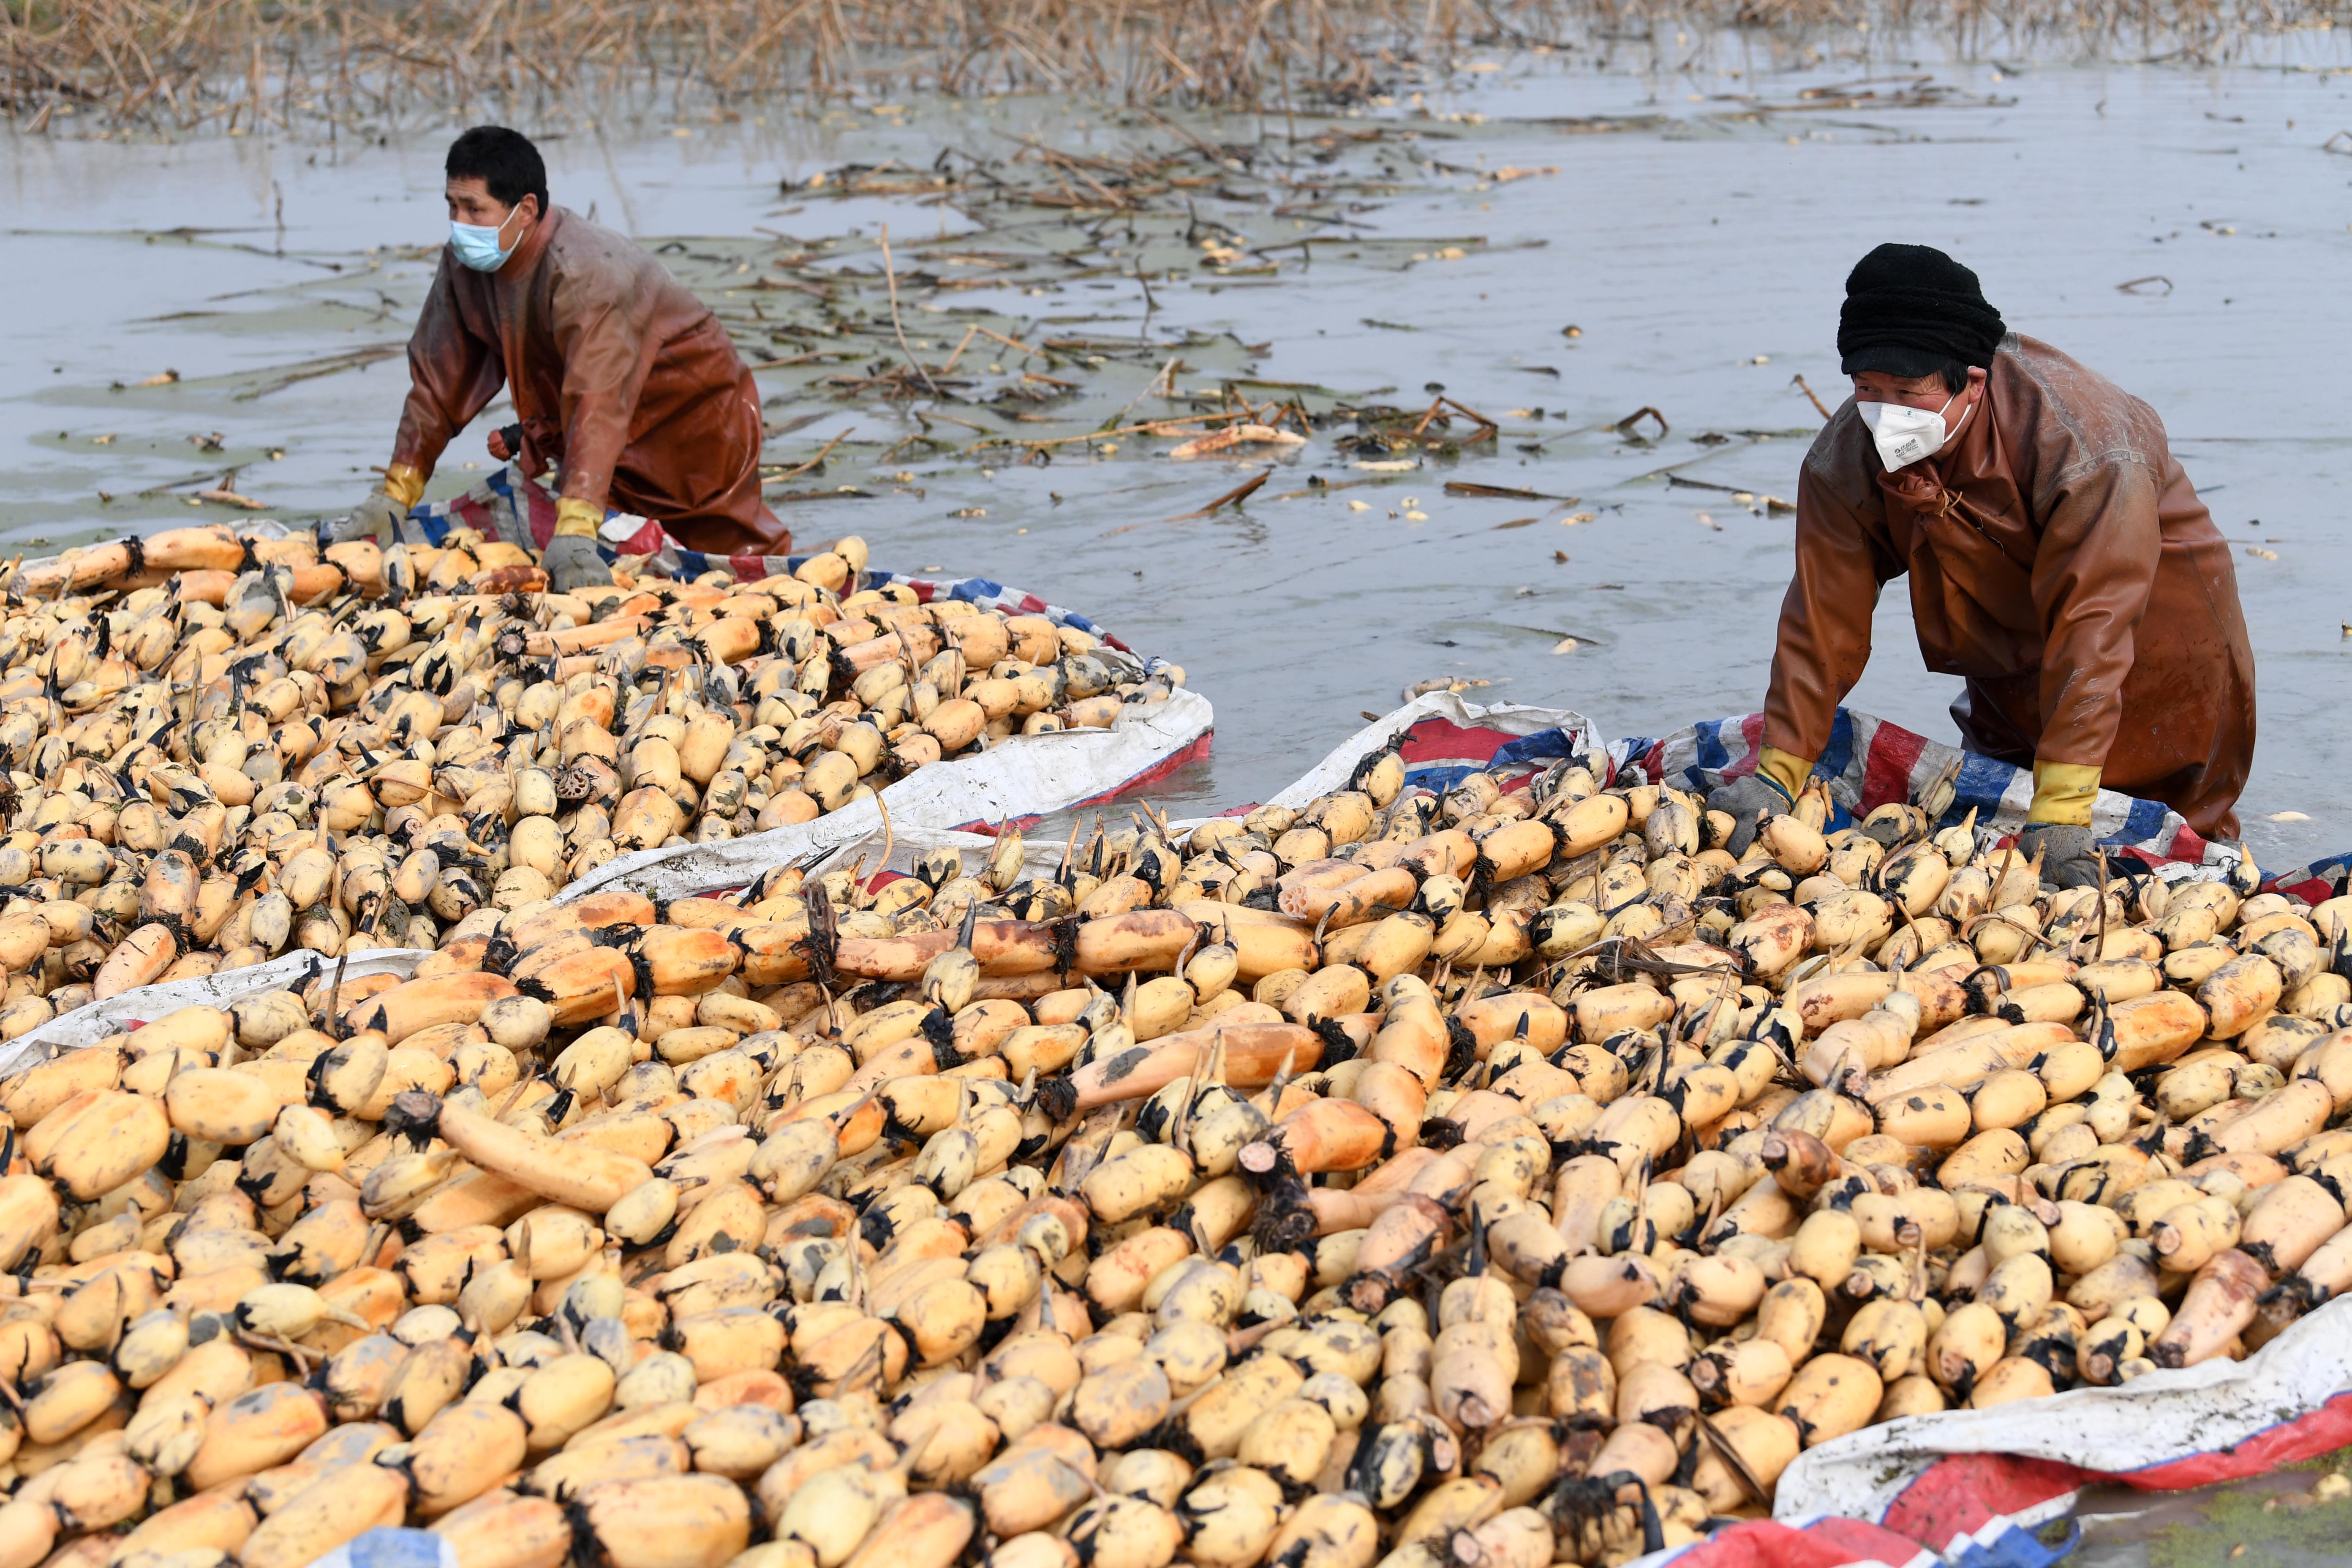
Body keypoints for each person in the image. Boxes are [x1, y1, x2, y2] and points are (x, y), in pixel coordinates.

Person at [1707, 243, 2255, 886]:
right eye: (1866, 390)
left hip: (2155, 640)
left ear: (1972, 382)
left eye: (1908, 394)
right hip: (2005, 648)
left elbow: (2096, 629)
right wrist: (1777, 773)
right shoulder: (1848, 455)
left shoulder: (2087, 446)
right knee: (1997, 803)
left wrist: (2063, 812)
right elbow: (1819, 621)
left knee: (2172, 833)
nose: (1885, 415)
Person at [332, 125, 787, 588]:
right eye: (452, 206)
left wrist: (574, 528)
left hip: (690, 418)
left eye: (475, 208)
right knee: (636, 559)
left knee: (730, 558)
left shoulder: (587, 274)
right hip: (594, 430)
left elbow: (600, 400)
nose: (459, 222)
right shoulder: (466, 263)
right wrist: (397, 490)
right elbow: (437, 380)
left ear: (526, 209)